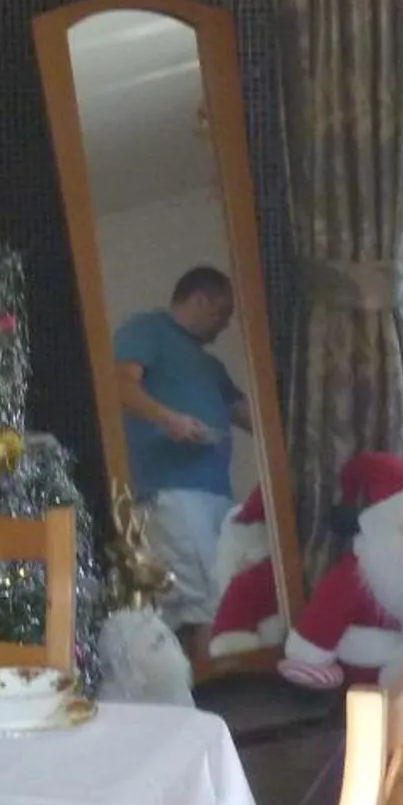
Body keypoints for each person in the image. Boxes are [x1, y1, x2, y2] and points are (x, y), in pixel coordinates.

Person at [112, 266, 252, 643]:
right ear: (200, 299)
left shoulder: (210, 366)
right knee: (207, 601)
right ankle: (213, 694)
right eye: (221, 312)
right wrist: (168, 419)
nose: (224, 325)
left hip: (215, 494)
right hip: (173, 492)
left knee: (221, 592)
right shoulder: (147, 330)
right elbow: (118, 384)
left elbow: (250, 415)